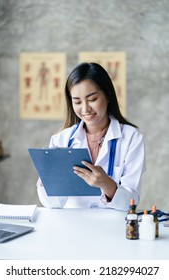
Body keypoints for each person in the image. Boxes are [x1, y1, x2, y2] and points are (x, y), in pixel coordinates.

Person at [37, 62, 146, 211]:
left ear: (107, 95)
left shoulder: (132, 138)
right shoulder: (60, 140)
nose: (85, 109)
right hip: (73, 226)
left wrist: (106, 183)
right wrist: (47, 181)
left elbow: (131, 202)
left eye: (92, 99)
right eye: (77, 102)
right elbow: (53, 204)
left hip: (112, 228)